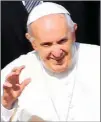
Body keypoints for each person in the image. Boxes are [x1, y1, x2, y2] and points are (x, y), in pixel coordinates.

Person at [1, 2, 100, 121]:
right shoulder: (13, 75)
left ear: (73, 32)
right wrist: (6, 104)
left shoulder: (96, 57)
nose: (57, 53)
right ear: (33, 43)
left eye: (62, 41)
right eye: (47, 44)